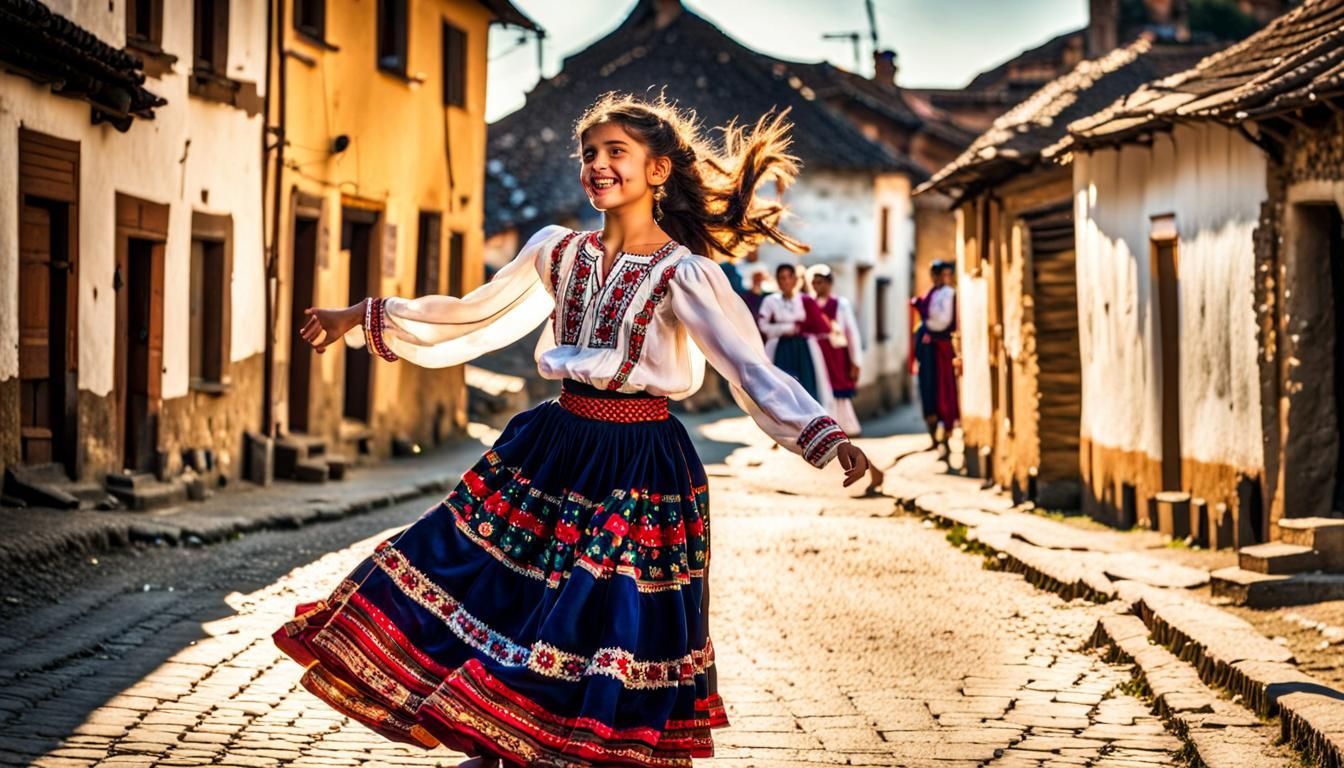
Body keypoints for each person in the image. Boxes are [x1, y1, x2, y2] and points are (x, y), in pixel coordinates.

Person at [278, 93, 871, 768]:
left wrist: (823, 434)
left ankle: (561, 746)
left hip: (641, 463)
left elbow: (749, 368)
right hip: (551, 444)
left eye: (616, 151)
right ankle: (493, 738)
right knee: (498, 588)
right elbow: (475, 315)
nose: (597, 164)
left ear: (658, 171)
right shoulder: (555, 251)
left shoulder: (688, 273)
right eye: (590, 152)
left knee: (595, 613)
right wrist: (362, 312)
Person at [756, 264, 835, 414]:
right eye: (781, 278)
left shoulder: (806, 301)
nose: (785, 282)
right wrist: (787, 329)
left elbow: (820, 326)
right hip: (781, 348)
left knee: (806, 385)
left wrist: (798, 328)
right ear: (777, 281)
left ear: (795, 279)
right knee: (783, 386)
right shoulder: (771, 301)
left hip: (804, 349)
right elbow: (763, 325)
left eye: (788, 277)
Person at [911, 260, 959, 455]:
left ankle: (946, 441)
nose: (935, 278)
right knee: (928, 391)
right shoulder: (930, 295)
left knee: (944, 392)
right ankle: (934, 438)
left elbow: (941, 321)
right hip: (928, 351)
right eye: (933, 274)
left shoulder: (949, 295)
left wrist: (924, 312)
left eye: (938, 274)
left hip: (942, 350)